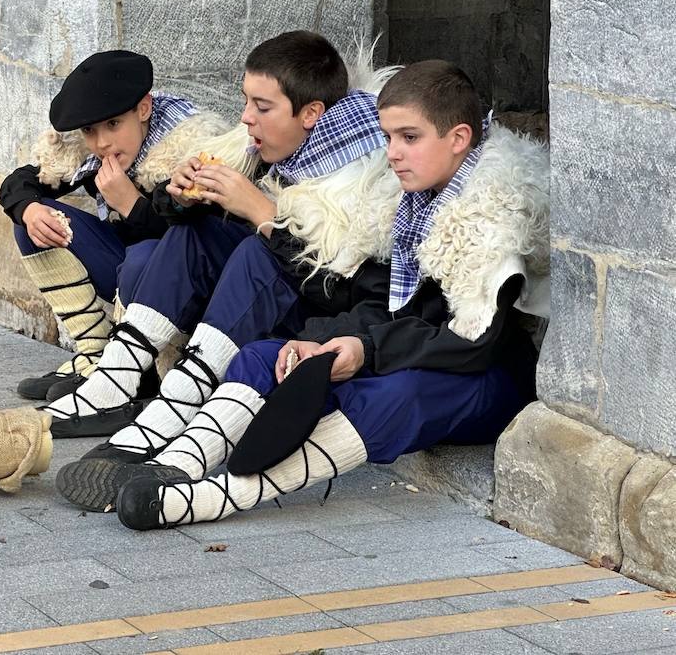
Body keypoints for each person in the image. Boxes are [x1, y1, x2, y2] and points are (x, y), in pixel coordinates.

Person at [109, 59, 548, 531]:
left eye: (410, 137)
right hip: (400, 351)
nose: (394, 153)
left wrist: (366, 349)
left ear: (458, 139)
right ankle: (175, 464)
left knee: (397, 395)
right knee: (266, 356)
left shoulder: (491, 213)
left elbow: (472, 342)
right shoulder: (403, 200)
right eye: (389, 137)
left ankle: (221, 496)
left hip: (479, 378)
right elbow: (378, 301)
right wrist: (325, 341)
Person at [47, 31, 402, 463]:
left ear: (311, 113)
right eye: (247, 100)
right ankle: (114, 382)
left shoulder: (367, 179)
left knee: (258, 251)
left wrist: (263, 214)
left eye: (262, 107)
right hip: (249, 305)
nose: (246, 118)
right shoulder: (254, 145)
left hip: (321, 328)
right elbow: (189, 225)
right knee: (193, 231)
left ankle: (174, 406)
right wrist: (176, 195)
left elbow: (353, 289)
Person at [0, 51, 207, 401]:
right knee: (36, 220)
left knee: (143, 255)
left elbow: (198, 244)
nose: (101, 142)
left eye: (113, 125)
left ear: (143, 109)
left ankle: (135, 371)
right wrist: (30, 209)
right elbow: (21, 181)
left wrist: (130, 204)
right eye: (90, 130)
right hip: (127, 271)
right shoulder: (92, 150)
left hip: (184, 299)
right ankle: (96, 355)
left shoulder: (187, 147)